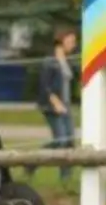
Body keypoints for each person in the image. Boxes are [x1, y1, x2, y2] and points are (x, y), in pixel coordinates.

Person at [32, 27, 77, 182]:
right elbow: (45, 85)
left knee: (69, 141)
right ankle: (32, 163)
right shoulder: (50, 61)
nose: (73, 45)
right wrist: (56, 103)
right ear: (61, 41)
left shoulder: (66, 60)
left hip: (66, 105)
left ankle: (66, 178)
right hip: (52, 106)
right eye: (71, 41)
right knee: (61, 141)